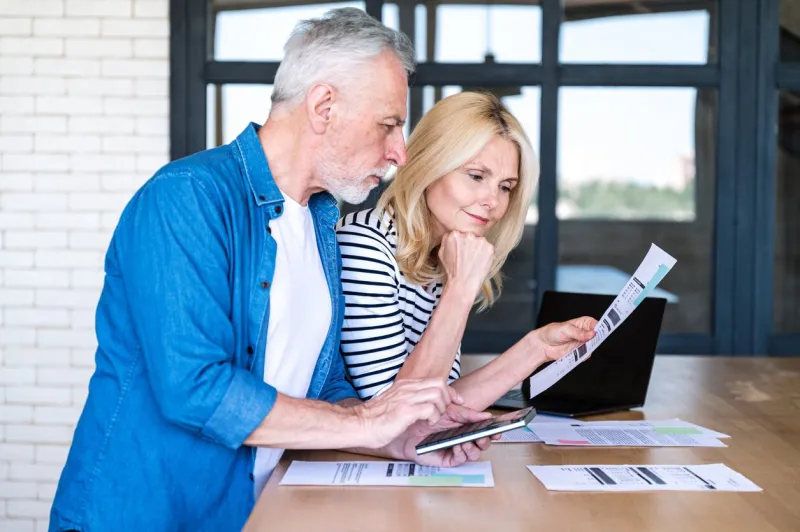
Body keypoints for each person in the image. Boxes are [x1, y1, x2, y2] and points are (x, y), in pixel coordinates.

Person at [50, 9, 494, 532]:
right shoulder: (186, 198)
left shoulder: (320, 223)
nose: (399, 151)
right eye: (389, 124)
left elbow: (320, 390)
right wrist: (368, 420)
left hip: (250, 514)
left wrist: (398, 438)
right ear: (324, 106)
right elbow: (195, 387)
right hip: (142, 518)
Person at [337, 91, 598, 408]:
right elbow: (398, 412)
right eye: (476, 176)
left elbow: (441, 396)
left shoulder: (441, 255)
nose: (494, 201)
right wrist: (460, 289)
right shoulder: (364, 243)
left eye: (505, 187)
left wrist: (538, 348)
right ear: (429, 165)